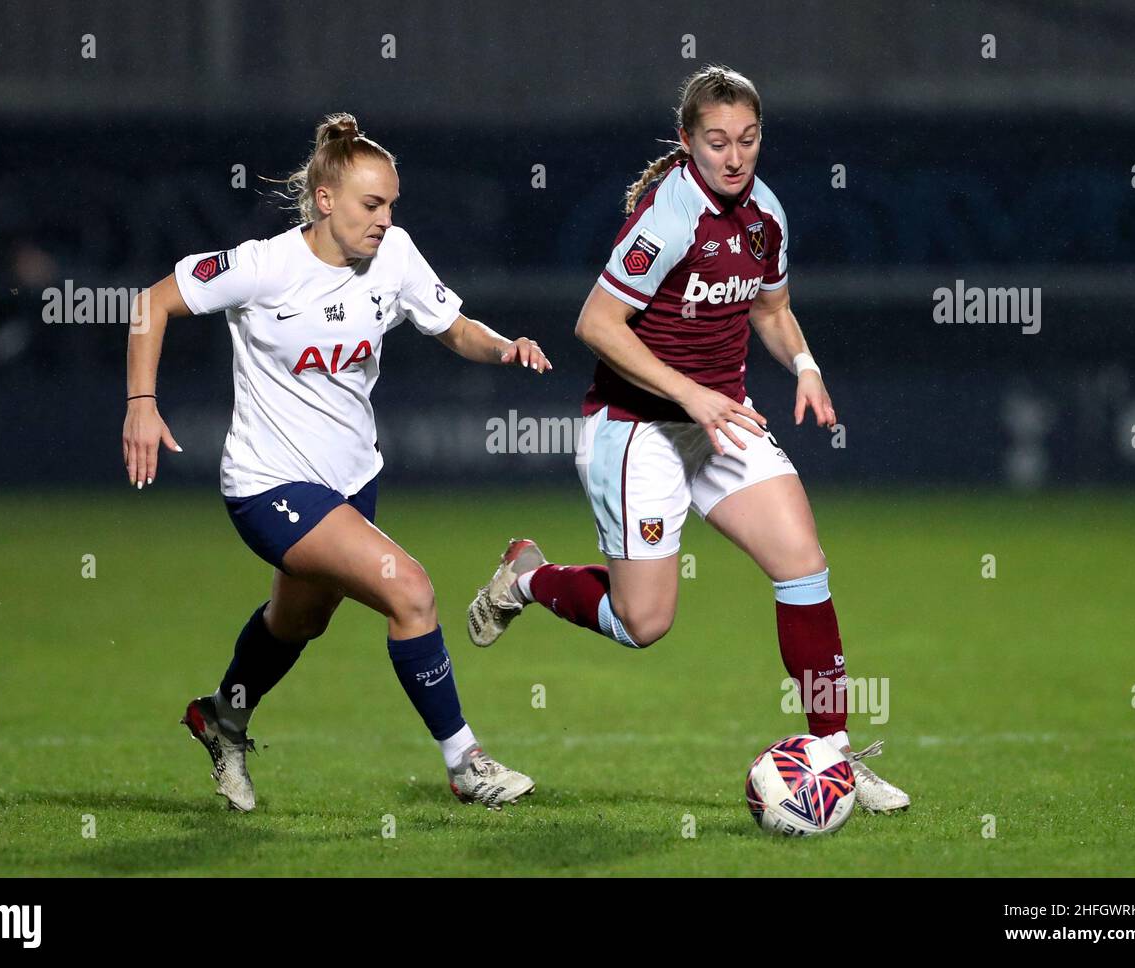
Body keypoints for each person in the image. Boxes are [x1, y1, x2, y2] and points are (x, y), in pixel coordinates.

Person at [466, 66, 909, 812]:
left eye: (747, 139)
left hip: (716, 419)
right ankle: (530, 578)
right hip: (637, 426)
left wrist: (803, 364)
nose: (734, 158)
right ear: (686, 142)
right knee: (645, 623)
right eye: (716, 143)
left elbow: (771, 309)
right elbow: (595, 326)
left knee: (802, 562)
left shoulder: (765, 213)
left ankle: (831, 755)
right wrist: (693, 395)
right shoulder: (668, 217)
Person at [123, 113, 550, 811]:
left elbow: (454, 327)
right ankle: (465, 762)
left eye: (391, 205)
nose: (385, 219)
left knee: (297, 624)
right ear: (326, 201)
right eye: (371, 204)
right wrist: (142, 402)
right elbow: (151, 305)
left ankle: (223, 716)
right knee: (410, 590)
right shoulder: (264, 266)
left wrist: (503, 346)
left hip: (352, 482)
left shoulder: (397, 256)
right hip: (268, 487)